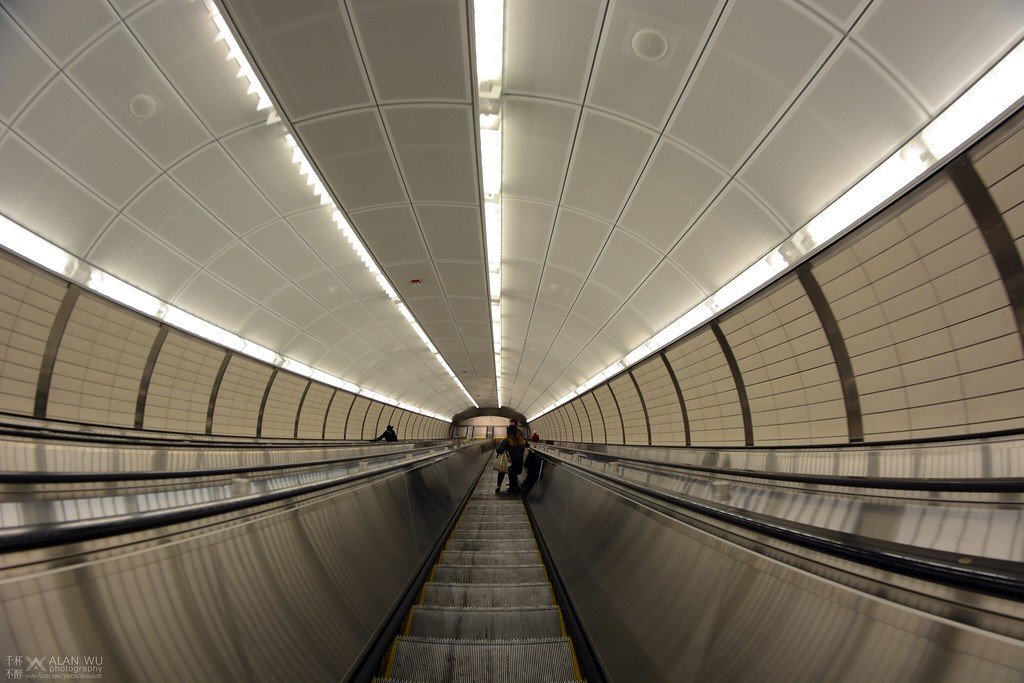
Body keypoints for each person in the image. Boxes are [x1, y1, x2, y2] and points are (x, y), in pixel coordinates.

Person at [494, 424, 526, 494]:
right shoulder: (522, 441)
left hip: (508, 463)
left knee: (501, 471)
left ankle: (498, 486)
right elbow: (523, 451)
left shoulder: (507, 440)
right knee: (513, 474)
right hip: (518, 464)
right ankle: (513, 488)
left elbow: (498, 449)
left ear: (508, 432)